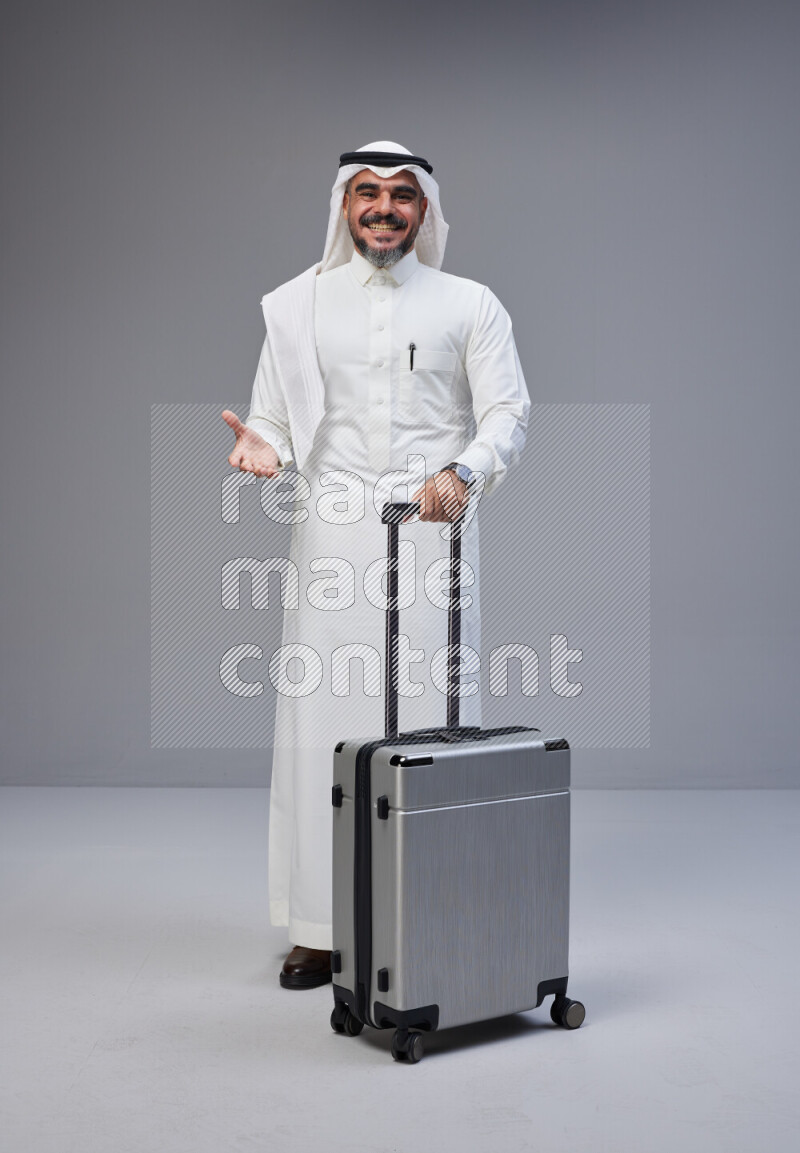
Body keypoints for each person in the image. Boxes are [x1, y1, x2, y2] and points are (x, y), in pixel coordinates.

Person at [222, 141, 529, 988]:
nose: (384, 207)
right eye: (367, 192)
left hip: (434, 530)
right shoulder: (297, 305)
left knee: (432, 721)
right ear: (343, 206)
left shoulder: (470, 303)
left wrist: (463, 473)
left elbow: (507, 410)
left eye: (401, 194)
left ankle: (427, 906)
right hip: (332, 534)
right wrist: (263, 446)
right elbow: (273, 419)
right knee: (322, 725)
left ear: (425, 209)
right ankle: (320, 928)